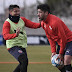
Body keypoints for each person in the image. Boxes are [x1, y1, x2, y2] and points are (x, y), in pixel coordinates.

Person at [2, 5, 40, 72]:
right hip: (12, 46)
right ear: (10, 12)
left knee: (24, 62)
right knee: (23, 60)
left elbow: (33, 25)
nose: (17, 13)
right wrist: (15, 35)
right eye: (15, 11)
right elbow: (5, 36)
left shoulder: (22, 19)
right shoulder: (7, 23)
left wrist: (42, 23)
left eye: (18, 11)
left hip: (22, 45)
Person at [36, 4, 72, 72]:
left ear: (46, 13)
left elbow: (63, 38)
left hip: (69, 40)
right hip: (61, 43)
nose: (38, 14)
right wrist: (53, 52)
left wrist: (61, 53)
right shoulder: (43, 23)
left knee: (66, 60)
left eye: (40, 12)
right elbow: (50, 38)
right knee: (58, 63)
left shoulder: (55, 22)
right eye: (38, 12)